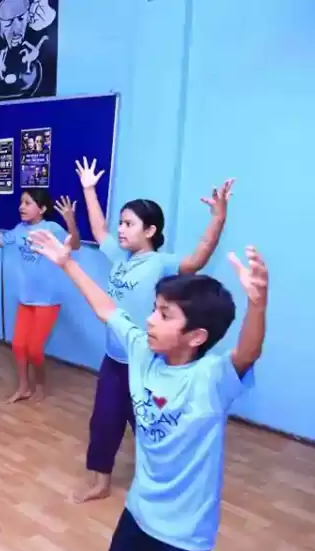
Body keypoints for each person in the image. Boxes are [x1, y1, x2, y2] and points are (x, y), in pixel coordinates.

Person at [28, 227, 266, 551]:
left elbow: (247, 353)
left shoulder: (211, 378)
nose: (151, 319)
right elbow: (108, 309)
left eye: (164, 315)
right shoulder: (142, 351)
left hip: (185, 529)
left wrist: (258, 306)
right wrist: (67, 263)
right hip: (140, 510)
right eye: (154, 309)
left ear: (196, 336)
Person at [71, 157, 234, 503]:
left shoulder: (161, 263)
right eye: (121, 222)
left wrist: (218, 219)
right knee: (104, 421)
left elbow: (198, 259)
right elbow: (98, 230)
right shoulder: (121, 258)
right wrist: (89, 189)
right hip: (115, 359)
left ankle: (163, 480)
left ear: (150, 231)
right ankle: (101, 482)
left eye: (129, 224)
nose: (121, 229)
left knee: (149, 424)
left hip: (148, 365)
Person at [0, 189, 80, 403]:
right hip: (26, 298)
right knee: (18, 345)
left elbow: (75, 245)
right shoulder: (19, 229)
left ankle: (40, 385)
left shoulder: (52, 228)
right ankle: (24, 387)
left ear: (41, 209)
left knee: (34, 349)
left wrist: (70, 221)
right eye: (21, 203)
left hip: (48, 299)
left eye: (27, 203)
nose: (21, 207)